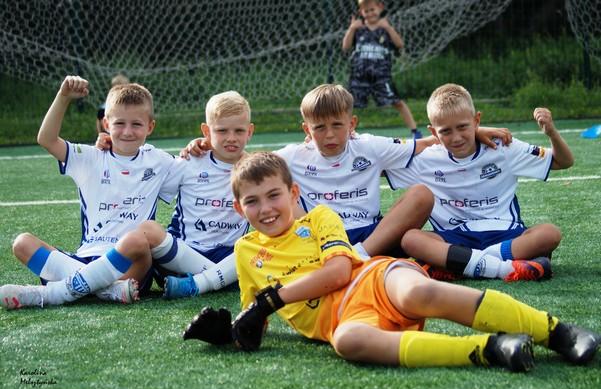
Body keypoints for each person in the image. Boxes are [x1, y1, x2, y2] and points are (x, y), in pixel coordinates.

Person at [182, 151, 599, 372]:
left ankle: (556, 332)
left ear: (293, 194)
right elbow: (255, 320)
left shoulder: (320, 217)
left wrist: (270, 301)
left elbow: (338, 272)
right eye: (252, 201)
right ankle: (491, 349)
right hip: (345, 320)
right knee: (348, 343)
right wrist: (231, 334)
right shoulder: (245, 252)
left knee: (418, 293)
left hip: (374, 279)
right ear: (239, 208)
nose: (266, 208)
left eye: (274, 195)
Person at [183, 84, 509, 261]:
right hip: (321, 239)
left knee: (422, 195)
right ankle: (343, 258)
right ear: (306, 129)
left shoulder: (370, 146)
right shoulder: (293, 155)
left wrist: (475, 131)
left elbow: (428, 141)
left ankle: (359, 257)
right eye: (319, 128)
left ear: (351, 124)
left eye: (337, 125)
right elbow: (248, 162)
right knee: (285, 199)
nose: (329, 135)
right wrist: (205, 145)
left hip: (372, 237)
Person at [0, 75, 177, 310]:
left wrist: (198, 146)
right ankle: (105, 290)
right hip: (87, 259)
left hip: (131, 267)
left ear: (150, 127)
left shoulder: (160, 161)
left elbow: (196, 171)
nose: (127, 131)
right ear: (106, 124)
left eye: (136, 124)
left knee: (138, 238)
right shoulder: (90, 157)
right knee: (22, 243)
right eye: (119, 123)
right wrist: (63, 97)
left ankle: (54, 293)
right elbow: (46, 139)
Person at [385, 83, 574, 281]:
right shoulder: (426, 159)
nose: (456, 137)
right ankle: (503, 268)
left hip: (506, 234)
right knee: (411, 239)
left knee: (549, 233)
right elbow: (377, 165)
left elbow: (563, 161)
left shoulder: (504, 148)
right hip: (455, 239)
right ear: (433, 132)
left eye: (462, 127)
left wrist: (551, 132)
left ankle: (461, 265)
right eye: (446, 131)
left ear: (476, 120)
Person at [105, 91, 254, 299]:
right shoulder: (188, 162)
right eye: (221, 130)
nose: (231, 138)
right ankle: (220, 279)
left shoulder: (255, 170)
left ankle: (200, 283)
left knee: (258, 244)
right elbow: (141, 179)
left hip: (227, 255)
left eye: (239, 131)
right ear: (206, 131)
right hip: (181, 258)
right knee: (149, 230)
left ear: (250, 131)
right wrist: (110, 148)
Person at [342, 0, 422, 139]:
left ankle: (415, 131)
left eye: (372, 9)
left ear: (380, 8)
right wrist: (351, 28)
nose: (370, 13)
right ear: (361, 12)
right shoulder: (358, 29)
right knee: (347, 104)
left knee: (397, 102)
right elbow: (345, 47)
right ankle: (344, 132)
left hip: (381, 76)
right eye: (366, 11)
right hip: (359, 76)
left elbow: (400, 44)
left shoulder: (385, 29)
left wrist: (388, 28)